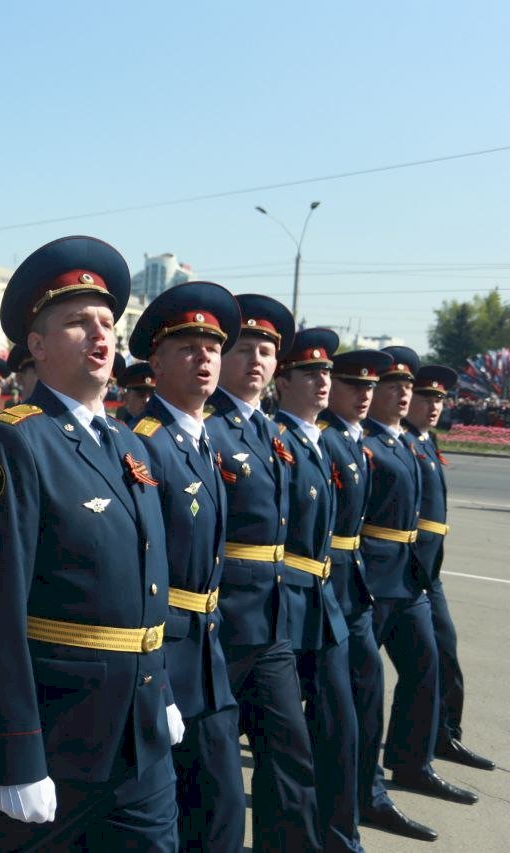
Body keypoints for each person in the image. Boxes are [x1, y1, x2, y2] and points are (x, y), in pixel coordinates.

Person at [0, 236, 178, 849]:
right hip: (61, 734)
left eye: (108, 322)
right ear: (36, 345)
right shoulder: (13, 443)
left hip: (140, 728)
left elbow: (146, 584)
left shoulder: (130, 445)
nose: (101, 336)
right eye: (79, 324)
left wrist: (161, 688)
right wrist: (16, 753)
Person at [129, 281, 245, 852]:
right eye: (188, 349)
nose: (205, 360)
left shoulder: (200, 440)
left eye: (213, 349)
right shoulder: (146, 444)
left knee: (221, 803)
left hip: (206, 648)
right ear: (156, 362)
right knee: (173, 813)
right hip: (165, 656)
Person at [205, 294, 320, 851]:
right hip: (222, 627)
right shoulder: (208, 428)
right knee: (214, 781)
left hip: (271, 626)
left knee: (290, 758)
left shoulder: (269, 433)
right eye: (245, 347)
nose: (257, 359)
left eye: (268, 351)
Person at [319, 348, 436, 841]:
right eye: (356, 386)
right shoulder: (325, 440)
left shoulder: (353, 439)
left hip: (362, 583)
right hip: (326, 589)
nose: (365, 395)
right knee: (331, 716)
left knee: (364, 704)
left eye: (371, 387)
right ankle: (337, 819)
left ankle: (368, 798)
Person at [360, 346, 477, 808]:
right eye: (397, 387)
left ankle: (413, 762)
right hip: (371, 579)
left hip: (410, 579)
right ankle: (356, 781)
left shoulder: (406, 441)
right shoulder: (361, 442)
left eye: (410, 388)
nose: (407, 395)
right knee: (351, 690)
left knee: (427, 666)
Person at [274, 329, 360, 852]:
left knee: (338, 727)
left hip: (322, 601)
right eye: (310, 372)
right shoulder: (275, 438)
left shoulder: (323, 439)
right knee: (285, 746)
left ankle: (337, 835)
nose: (323, 380)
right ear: (283, 382)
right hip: (283, 602)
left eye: (327, 372)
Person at [404, 365, 496, 773]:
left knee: (445, 656)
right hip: (405, 570)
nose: (434, 406)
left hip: (429, 570)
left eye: (440, 399)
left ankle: (443, 735)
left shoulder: (426, 440)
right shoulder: (399, 442)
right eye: (426, 397)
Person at [116, 361, 156, 425]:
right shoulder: (117, 428)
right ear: (127, 397)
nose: (146, 400)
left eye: (152, 395)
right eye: (141, 394)